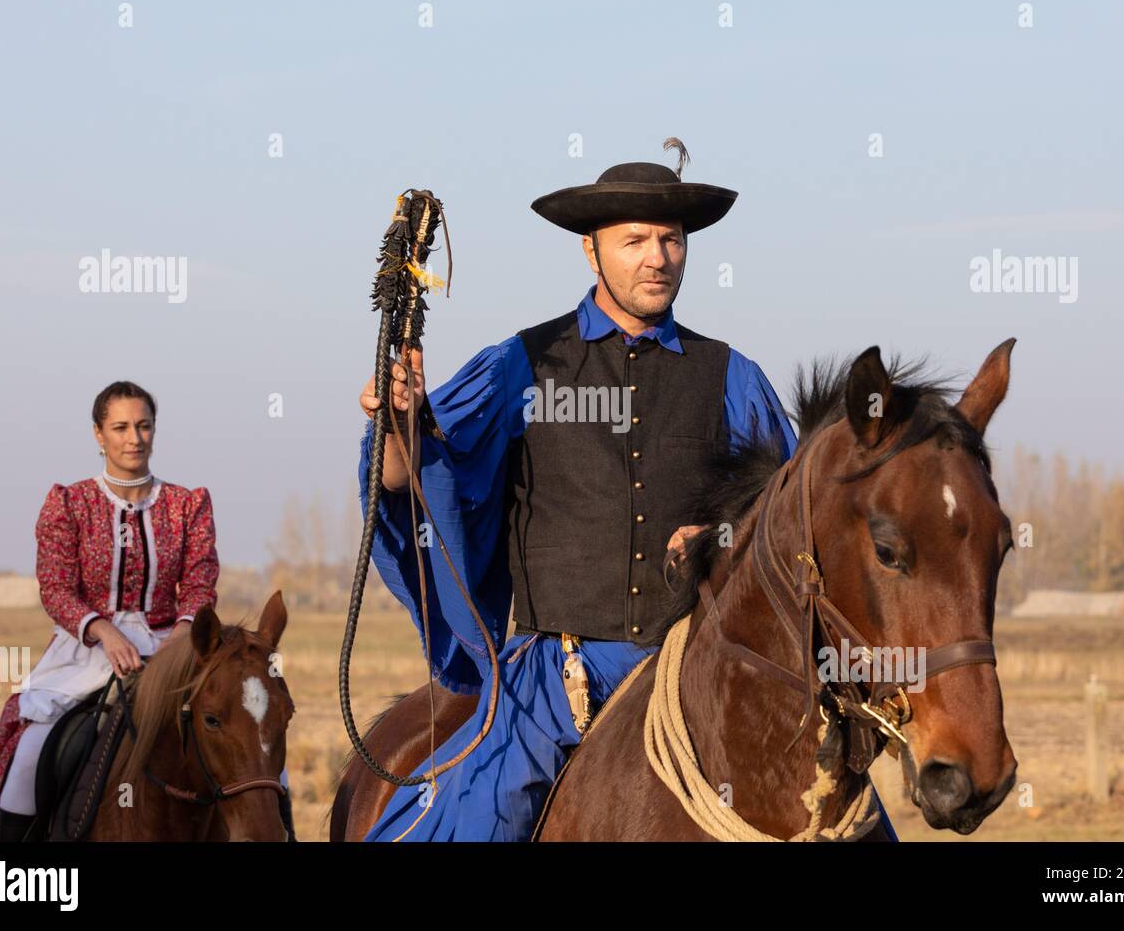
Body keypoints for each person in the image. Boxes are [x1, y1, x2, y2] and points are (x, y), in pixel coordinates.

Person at [358, 139, 897, 840]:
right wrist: (400, 425)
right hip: (564, 676)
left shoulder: (734, 377)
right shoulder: (522, 364)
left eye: (671, 240)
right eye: (634, 240)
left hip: (707, 669)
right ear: (592, 252)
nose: (657, 257)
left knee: (858, 826)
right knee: (474, 824)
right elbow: (414, 477)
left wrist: (721, 539)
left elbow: (791, 532)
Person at [0, 381, 290, 841]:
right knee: (30, 754)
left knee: (257, 747)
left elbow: (200, 580)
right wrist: (101, 629)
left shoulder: (188, 505)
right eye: (120, 427)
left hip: (174, 651)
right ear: (99, 435)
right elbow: (56, 587)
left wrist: (184, 635)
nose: (134, 438)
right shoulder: (69, 503)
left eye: (143, 426)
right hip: (87, 654)